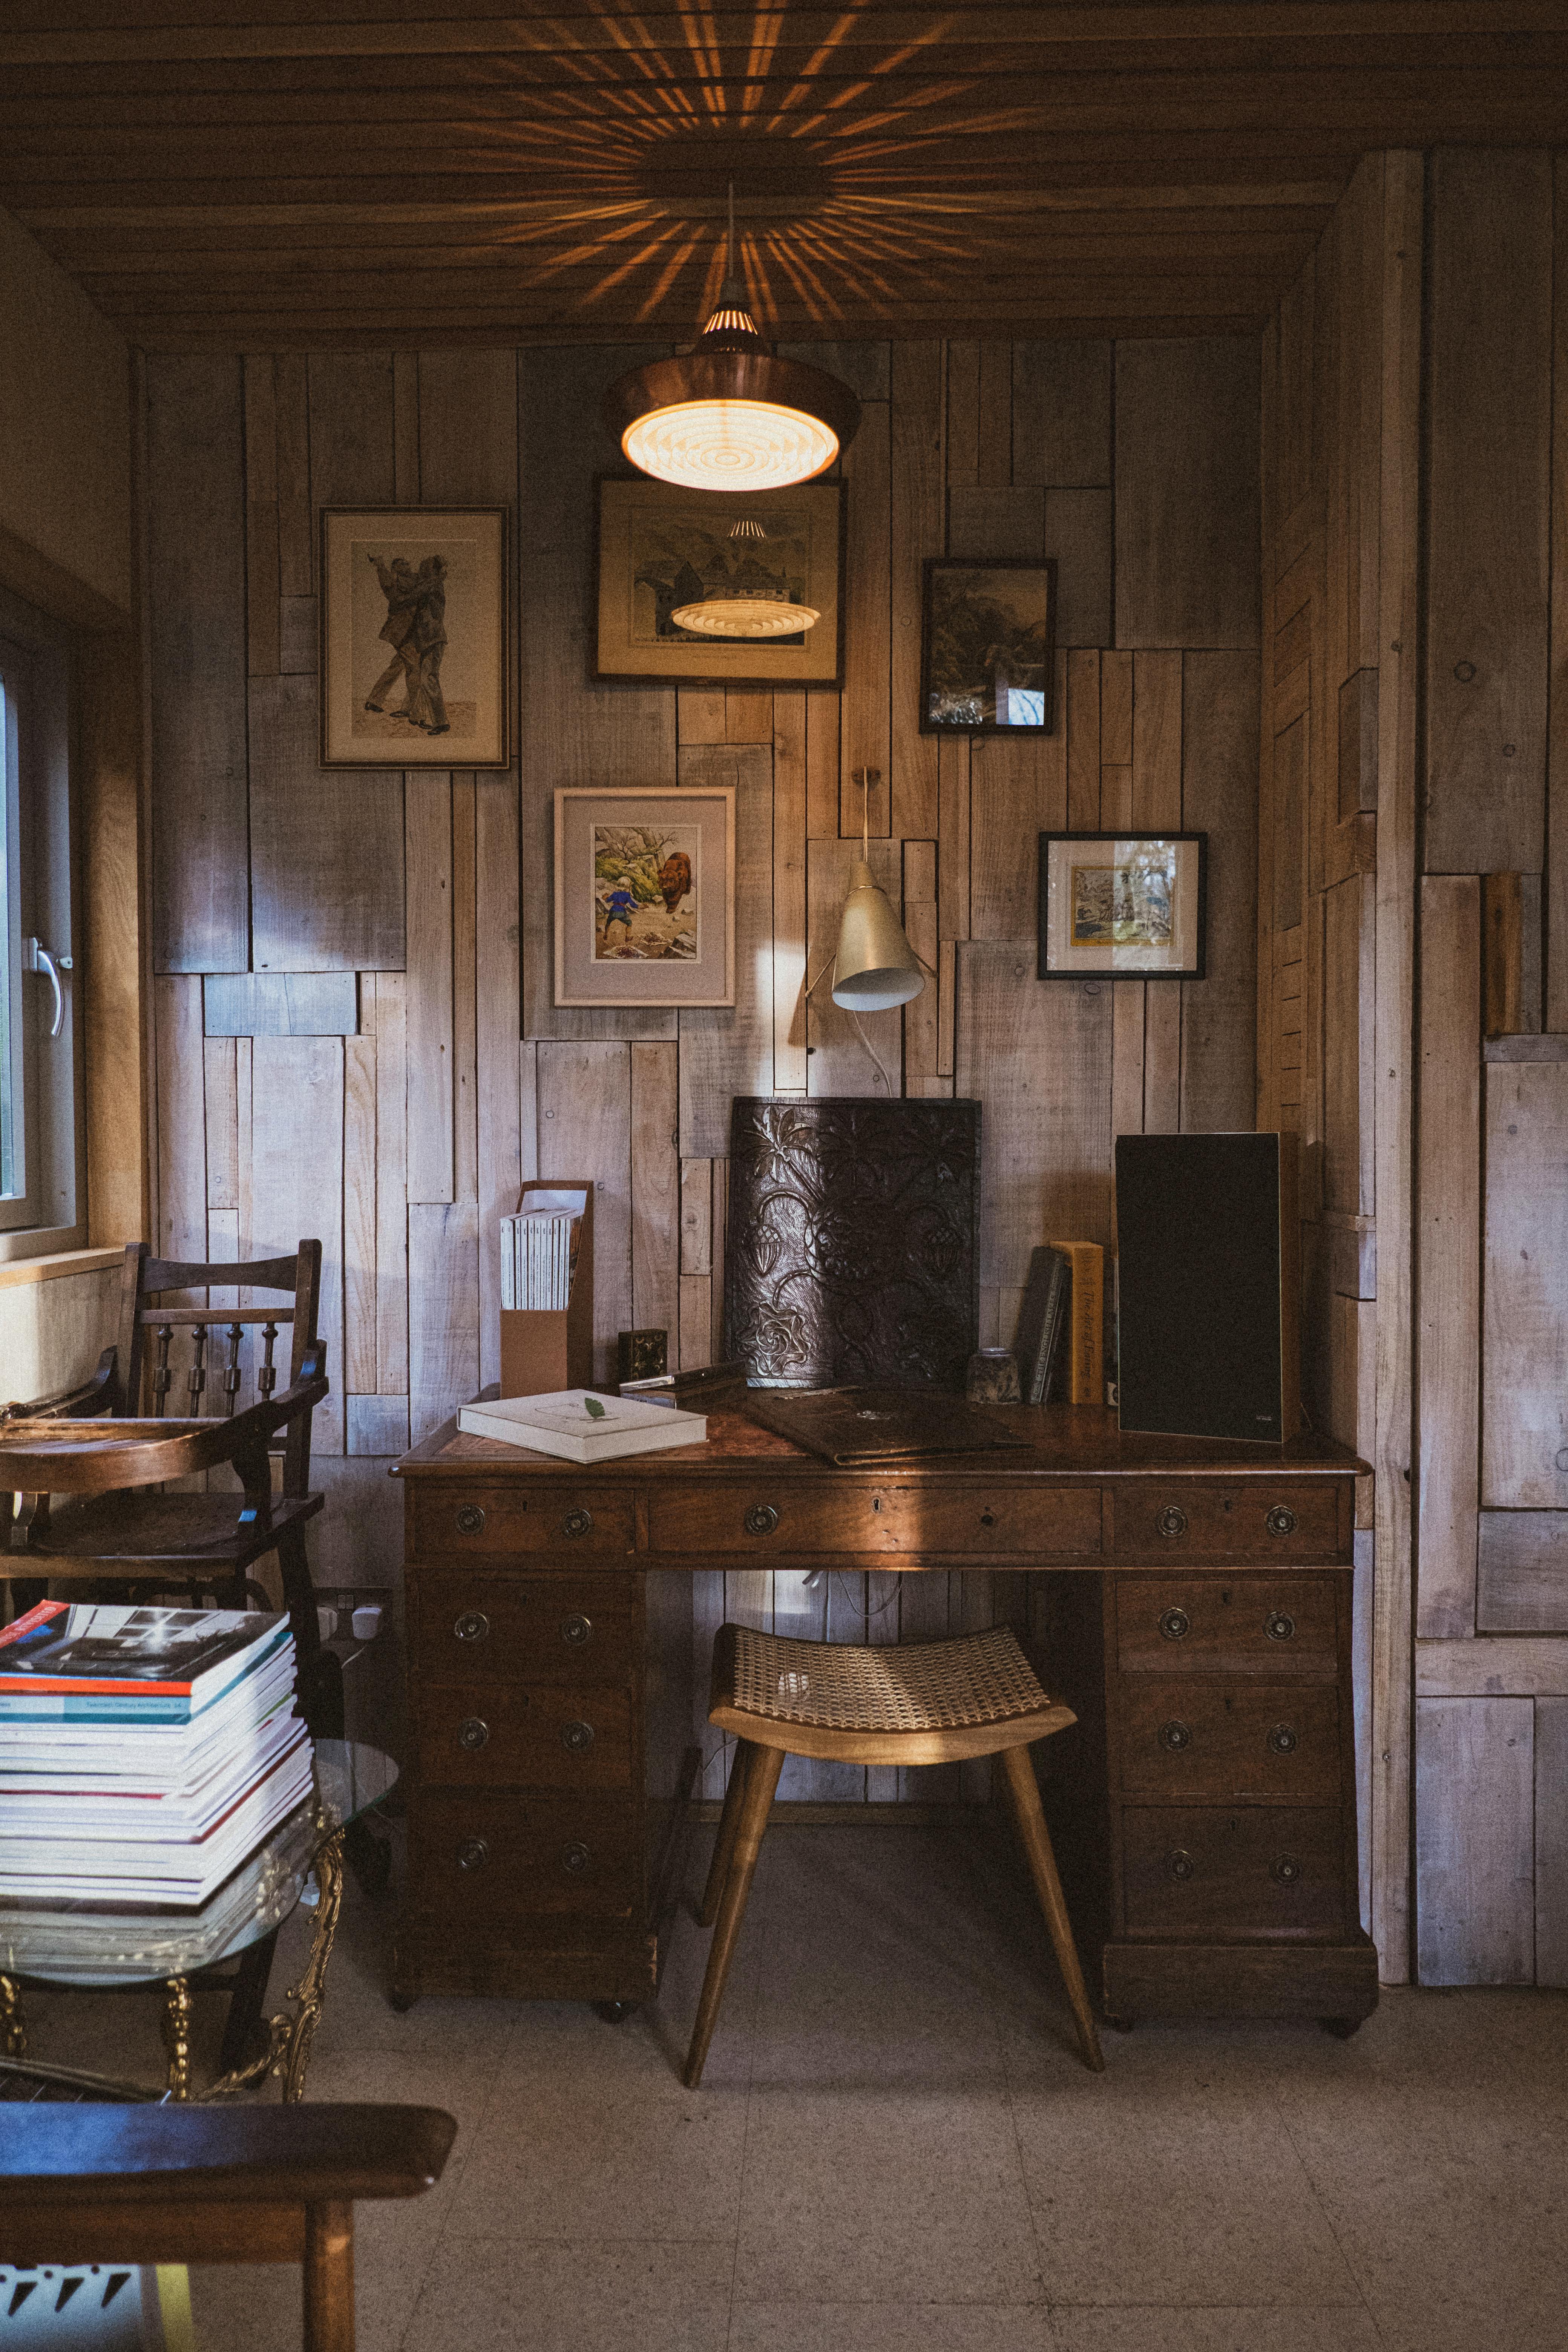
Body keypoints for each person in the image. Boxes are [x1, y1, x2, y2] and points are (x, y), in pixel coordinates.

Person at [364, 555, 419, 716]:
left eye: (407, 562)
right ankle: (411, 709)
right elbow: (389, 588)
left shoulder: (415, 580)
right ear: (395, 569)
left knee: (398, 665)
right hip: (401, 632)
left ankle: (374, 700)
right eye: (402, 564)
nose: (407, 565)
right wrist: (380, 565)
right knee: (415, 668)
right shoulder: (395, 583)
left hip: (411, 632)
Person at [404, 553, 449, 735]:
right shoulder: (431, 584)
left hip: (434, 640)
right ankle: (420, 717)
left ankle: (441, 722)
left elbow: (416, 594)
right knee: (425, 678)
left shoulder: (433, 585)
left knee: (428, 679)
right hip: (427, 641)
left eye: (425, 568)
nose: (421, 570)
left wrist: (439, 575)